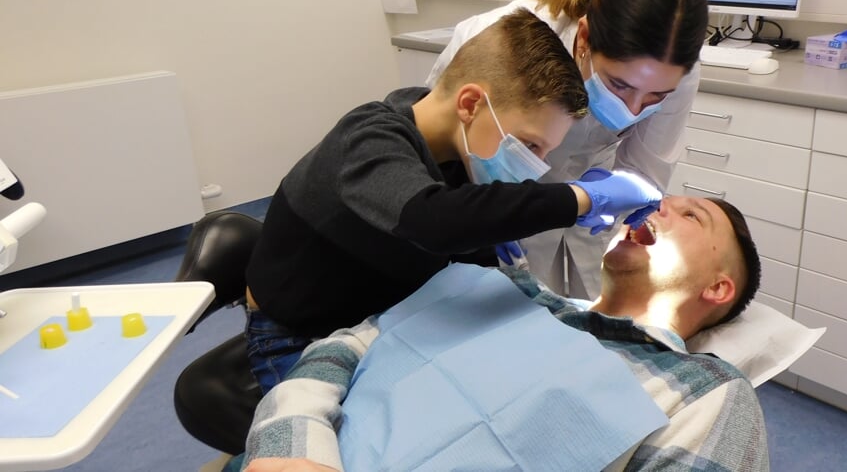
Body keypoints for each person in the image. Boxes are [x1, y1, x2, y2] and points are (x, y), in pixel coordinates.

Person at [242, 8, 663, 397]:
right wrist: (583, 197)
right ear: (470, 104)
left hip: (376, 318)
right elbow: (435, 221)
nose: (538, 166)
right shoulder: (369, 137)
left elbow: (468, 237)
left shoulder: (462, 159)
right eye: (531, 144)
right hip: (298, 334)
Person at [236, 195, 765, 472]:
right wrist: (294, 449)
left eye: (690, 214)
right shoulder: (498, 286)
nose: (659, 206)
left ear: (718, 289)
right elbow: (341, 349)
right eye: (662, 200)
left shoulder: (704, 392)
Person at [425, 0, 708, 300]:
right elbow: (435, 150)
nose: (632, 109)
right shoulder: (499, 41)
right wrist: (487, 214)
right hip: (478, 202)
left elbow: (645, 170)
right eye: (619, 85)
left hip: (583, 209)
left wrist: (612, 197)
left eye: (654, 97)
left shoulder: (679, 73)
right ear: (586, 38)